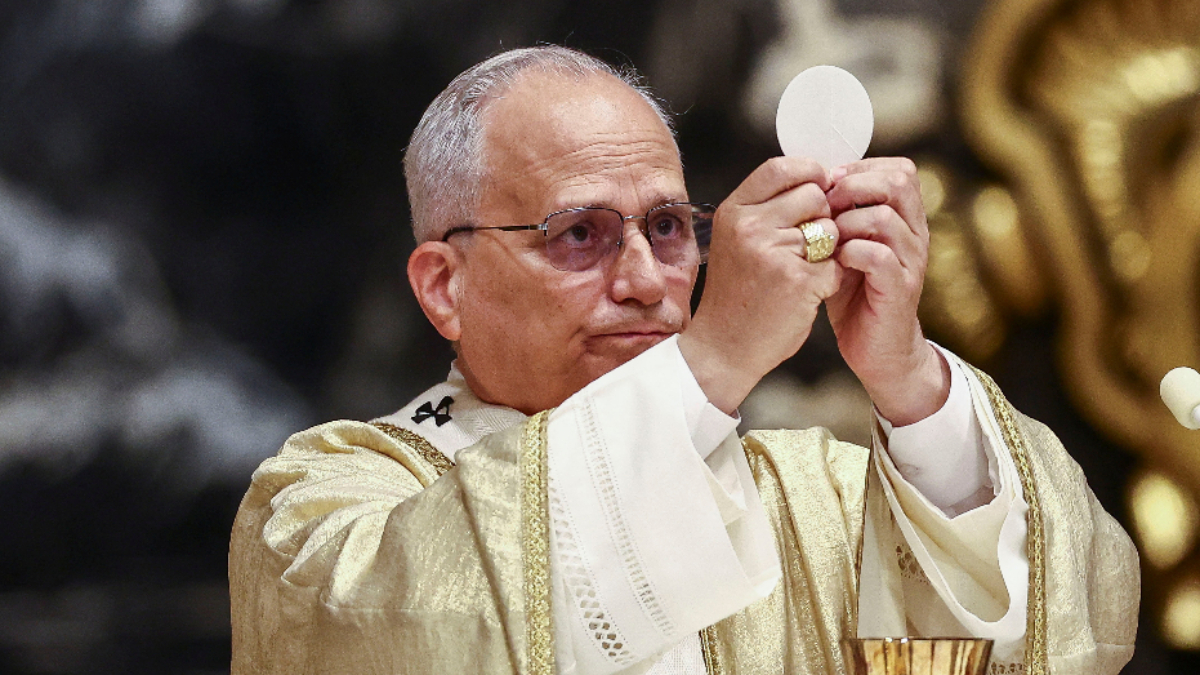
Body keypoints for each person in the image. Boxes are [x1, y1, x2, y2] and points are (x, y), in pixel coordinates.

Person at [228, 46, 1138, 675]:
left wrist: (910, 384)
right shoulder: (322, 510)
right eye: (579, 234)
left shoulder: (815, 497)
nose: (643, 280)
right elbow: (400, 630)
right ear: (444, 286)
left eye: (667, 227)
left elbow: (1075, 616)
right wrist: (716, 355)